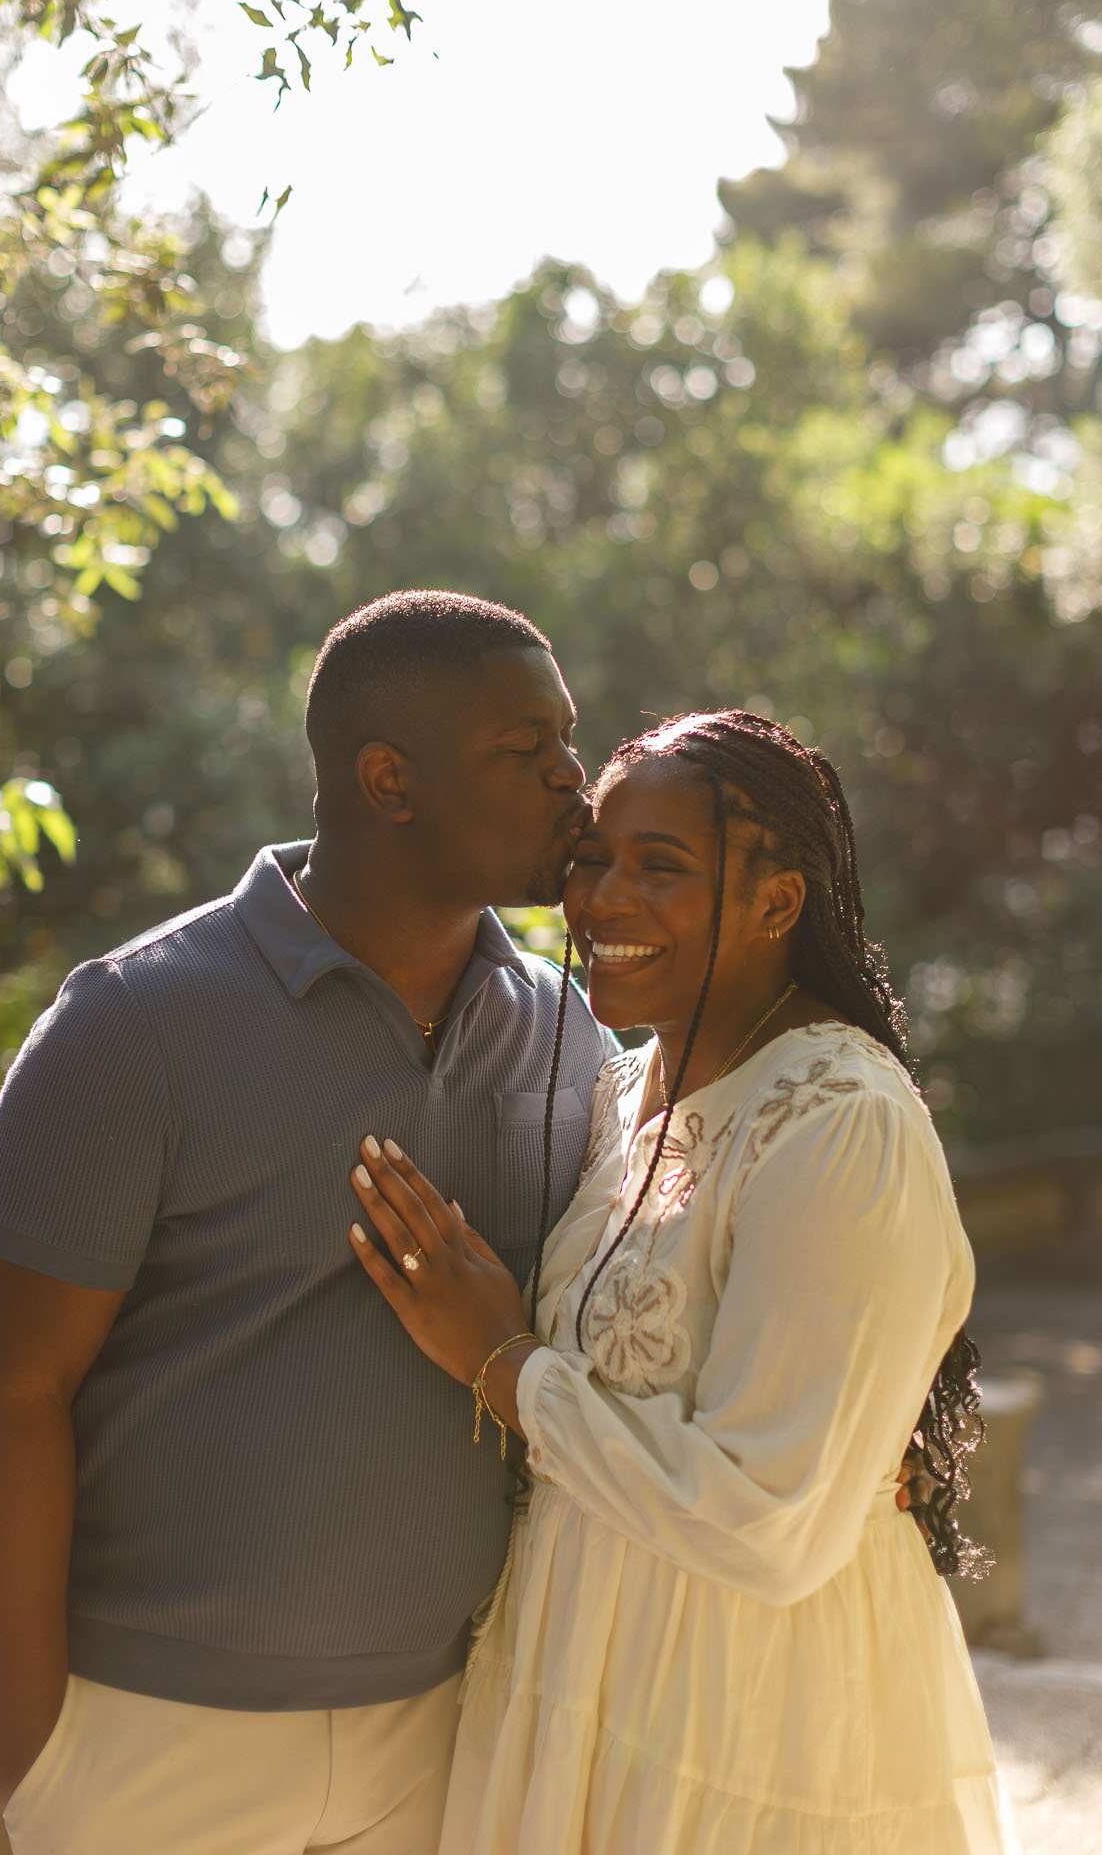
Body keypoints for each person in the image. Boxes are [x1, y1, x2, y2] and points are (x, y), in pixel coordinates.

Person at [0, 591, 617, 1855]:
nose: (572, 776)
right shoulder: (131, 1024)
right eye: (524, 747)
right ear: (388, 779)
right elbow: (5, 1390)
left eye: (567, 741)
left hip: (451, 1731)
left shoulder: (570, 1032)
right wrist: (39, 1767)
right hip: (154, 1748)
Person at [349, 709, 1016, 1854]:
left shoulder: (842, 1121)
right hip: (581, 1673)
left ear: (777, 901)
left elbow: (770, 1522)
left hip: (752, 1712)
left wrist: (506, 1364)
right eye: (592, 857)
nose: (603, 898)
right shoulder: (624, 1089)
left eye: (660, 867)